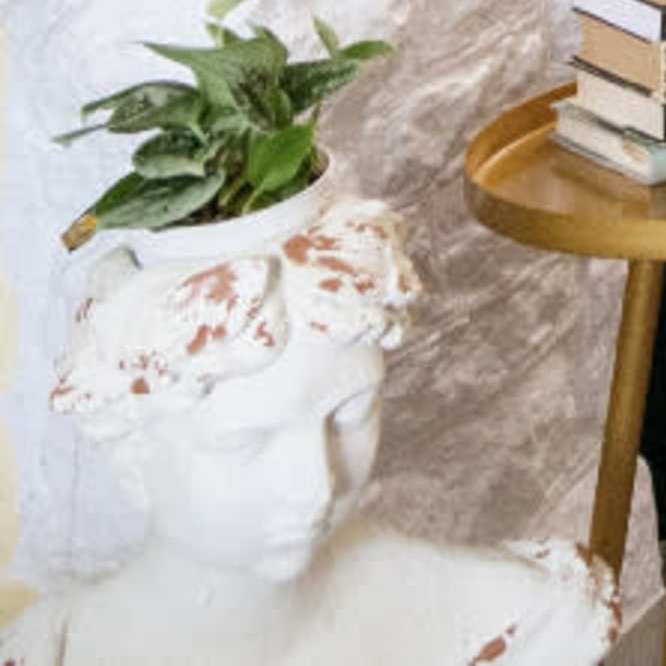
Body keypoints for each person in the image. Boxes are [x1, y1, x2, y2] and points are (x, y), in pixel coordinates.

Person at [4, 198, 612, 666]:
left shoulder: (520, 618)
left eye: (349, 414)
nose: (315, 485)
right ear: (130, 456)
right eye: (246, 443)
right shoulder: (56, 649)